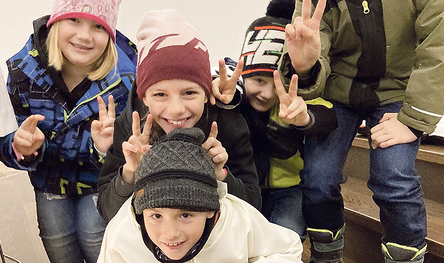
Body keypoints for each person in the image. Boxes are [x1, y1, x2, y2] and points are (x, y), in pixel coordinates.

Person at [278, 0, 444, 262]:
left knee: (394, 178)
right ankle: (326, 256)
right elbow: (310, 39)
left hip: (399, 89)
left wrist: (413, 120)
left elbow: (439, 44)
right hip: (337, 89)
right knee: (318, 178)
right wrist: (305, 68)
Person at [0, 0, 137, 262]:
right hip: (49, 182)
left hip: (99, 181)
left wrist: (105, 148)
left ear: (110, 33)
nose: (84, 35)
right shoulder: (21, 71)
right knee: (57, 240)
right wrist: (21, 148)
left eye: (97, 25)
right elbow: (2, 135)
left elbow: (134, 153)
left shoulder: (125, 81)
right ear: (56, 22)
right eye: (74, 20)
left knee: (95, 236)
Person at [96, 9, 261, 222]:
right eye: (160, 94)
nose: (176, 109)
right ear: (144, 97)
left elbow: (254, 207)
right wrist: (130, 172)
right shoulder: (130, 128)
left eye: (189, 93)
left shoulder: (227, 125)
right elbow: (107, 211)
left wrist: (221, 175)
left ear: (206, 93)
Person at [211, 0, 336, 240]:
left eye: (277, 83)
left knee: (285, 233)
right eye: (258, 80)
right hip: (239, 185)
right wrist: (219, 92)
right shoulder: (235, 92)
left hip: (288, 189)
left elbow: (328, 115)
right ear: (243, 73)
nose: (267, 93)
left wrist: (304, 118)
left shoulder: (293, 98)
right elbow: (220, 76)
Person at [97, 126, 303, 263]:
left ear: (211, 210)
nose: (170, 233)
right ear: (141, 212)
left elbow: (289, 249)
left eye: (186, 215)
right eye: (156, 215)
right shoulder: (121, 234)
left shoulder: (237, 220)